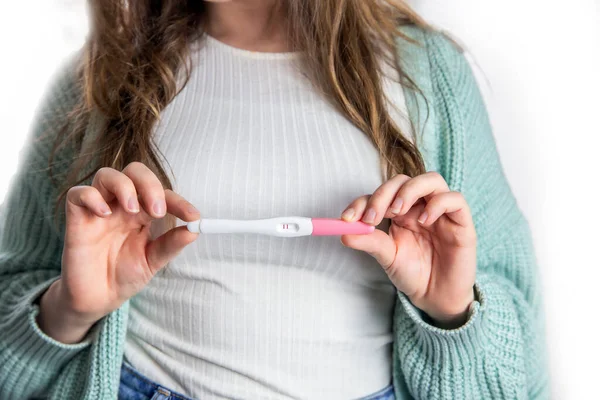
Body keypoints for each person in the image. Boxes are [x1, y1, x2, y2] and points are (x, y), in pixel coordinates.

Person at [0, 1, 550, 399]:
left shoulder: (429, 72)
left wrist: (452, 312)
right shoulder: (100, 76)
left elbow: (515, 371)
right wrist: (68, 310)